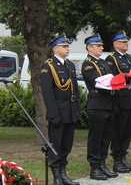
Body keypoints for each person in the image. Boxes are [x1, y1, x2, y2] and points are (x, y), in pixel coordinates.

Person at [40, 34, 80, 185]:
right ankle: (57, 177)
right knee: (55, 145)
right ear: (55, 49)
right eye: (64, 46)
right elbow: (47, 92)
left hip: (70, 110)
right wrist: (53, 113)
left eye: (67, 46)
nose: (67, 48)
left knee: (66, 145)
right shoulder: (48, 66)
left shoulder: (69, 65)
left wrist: (77, 108)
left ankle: (64, 175)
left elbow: (75, 89)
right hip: (58, 110)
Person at [81, 33, 118, 180]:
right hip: (97, 104)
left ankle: (102, 164)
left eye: (102, 45)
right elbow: (98, 80)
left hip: (108, 103)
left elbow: (112, 78)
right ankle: (94, 167)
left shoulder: (103, 62)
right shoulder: (88, 63)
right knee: (96, 137)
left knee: (106, 136)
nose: (101, 48)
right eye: (98, 45)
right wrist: (115, 81)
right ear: (89, 48)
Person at [105, 31, 131, 173]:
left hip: (129, 98)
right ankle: (117, 160)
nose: (127, 43)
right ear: (116, 44)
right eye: (123, 42)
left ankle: (123, 157)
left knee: (127, 130)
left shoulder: (128, 58)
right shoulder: (111, 58)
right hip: (119, 98)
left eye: (127, 41)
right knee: (118, 130)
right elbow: (112, 79)